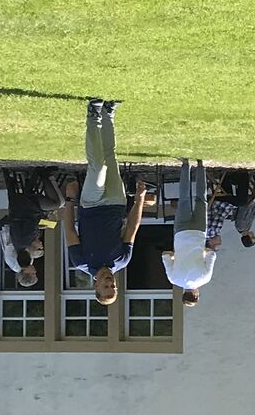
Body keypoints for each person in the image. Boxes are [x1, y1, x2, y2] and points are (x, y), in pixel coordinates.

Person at [62, 99, 151, 305]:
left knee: (98, 168)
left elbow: (69, 230)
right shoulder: (122, 260)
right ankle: (109, 114)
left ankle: (93, 115)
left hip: (91, 205)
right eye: (113, 287)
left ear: (95, 286)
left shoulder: (81, 262)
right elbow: (132, 227)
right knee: (111, 157)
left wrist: (69, 199)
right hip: (116, 203)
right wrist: (139, 200)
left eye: (106, 287)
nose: (110, 283)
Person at [163, 159, 220, 304]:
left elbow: (212, 253)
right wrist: (177, 256)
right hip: (181, 234)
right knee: (183, 199)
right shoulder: (174, 278)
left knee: (201, 200)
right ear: (183, 294)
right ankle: (185, 165)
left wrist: (202, 252)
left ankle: (201, 166)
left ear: (195, 295)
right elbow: (165, 255)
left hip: (198, 234)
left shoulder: (205, 278)